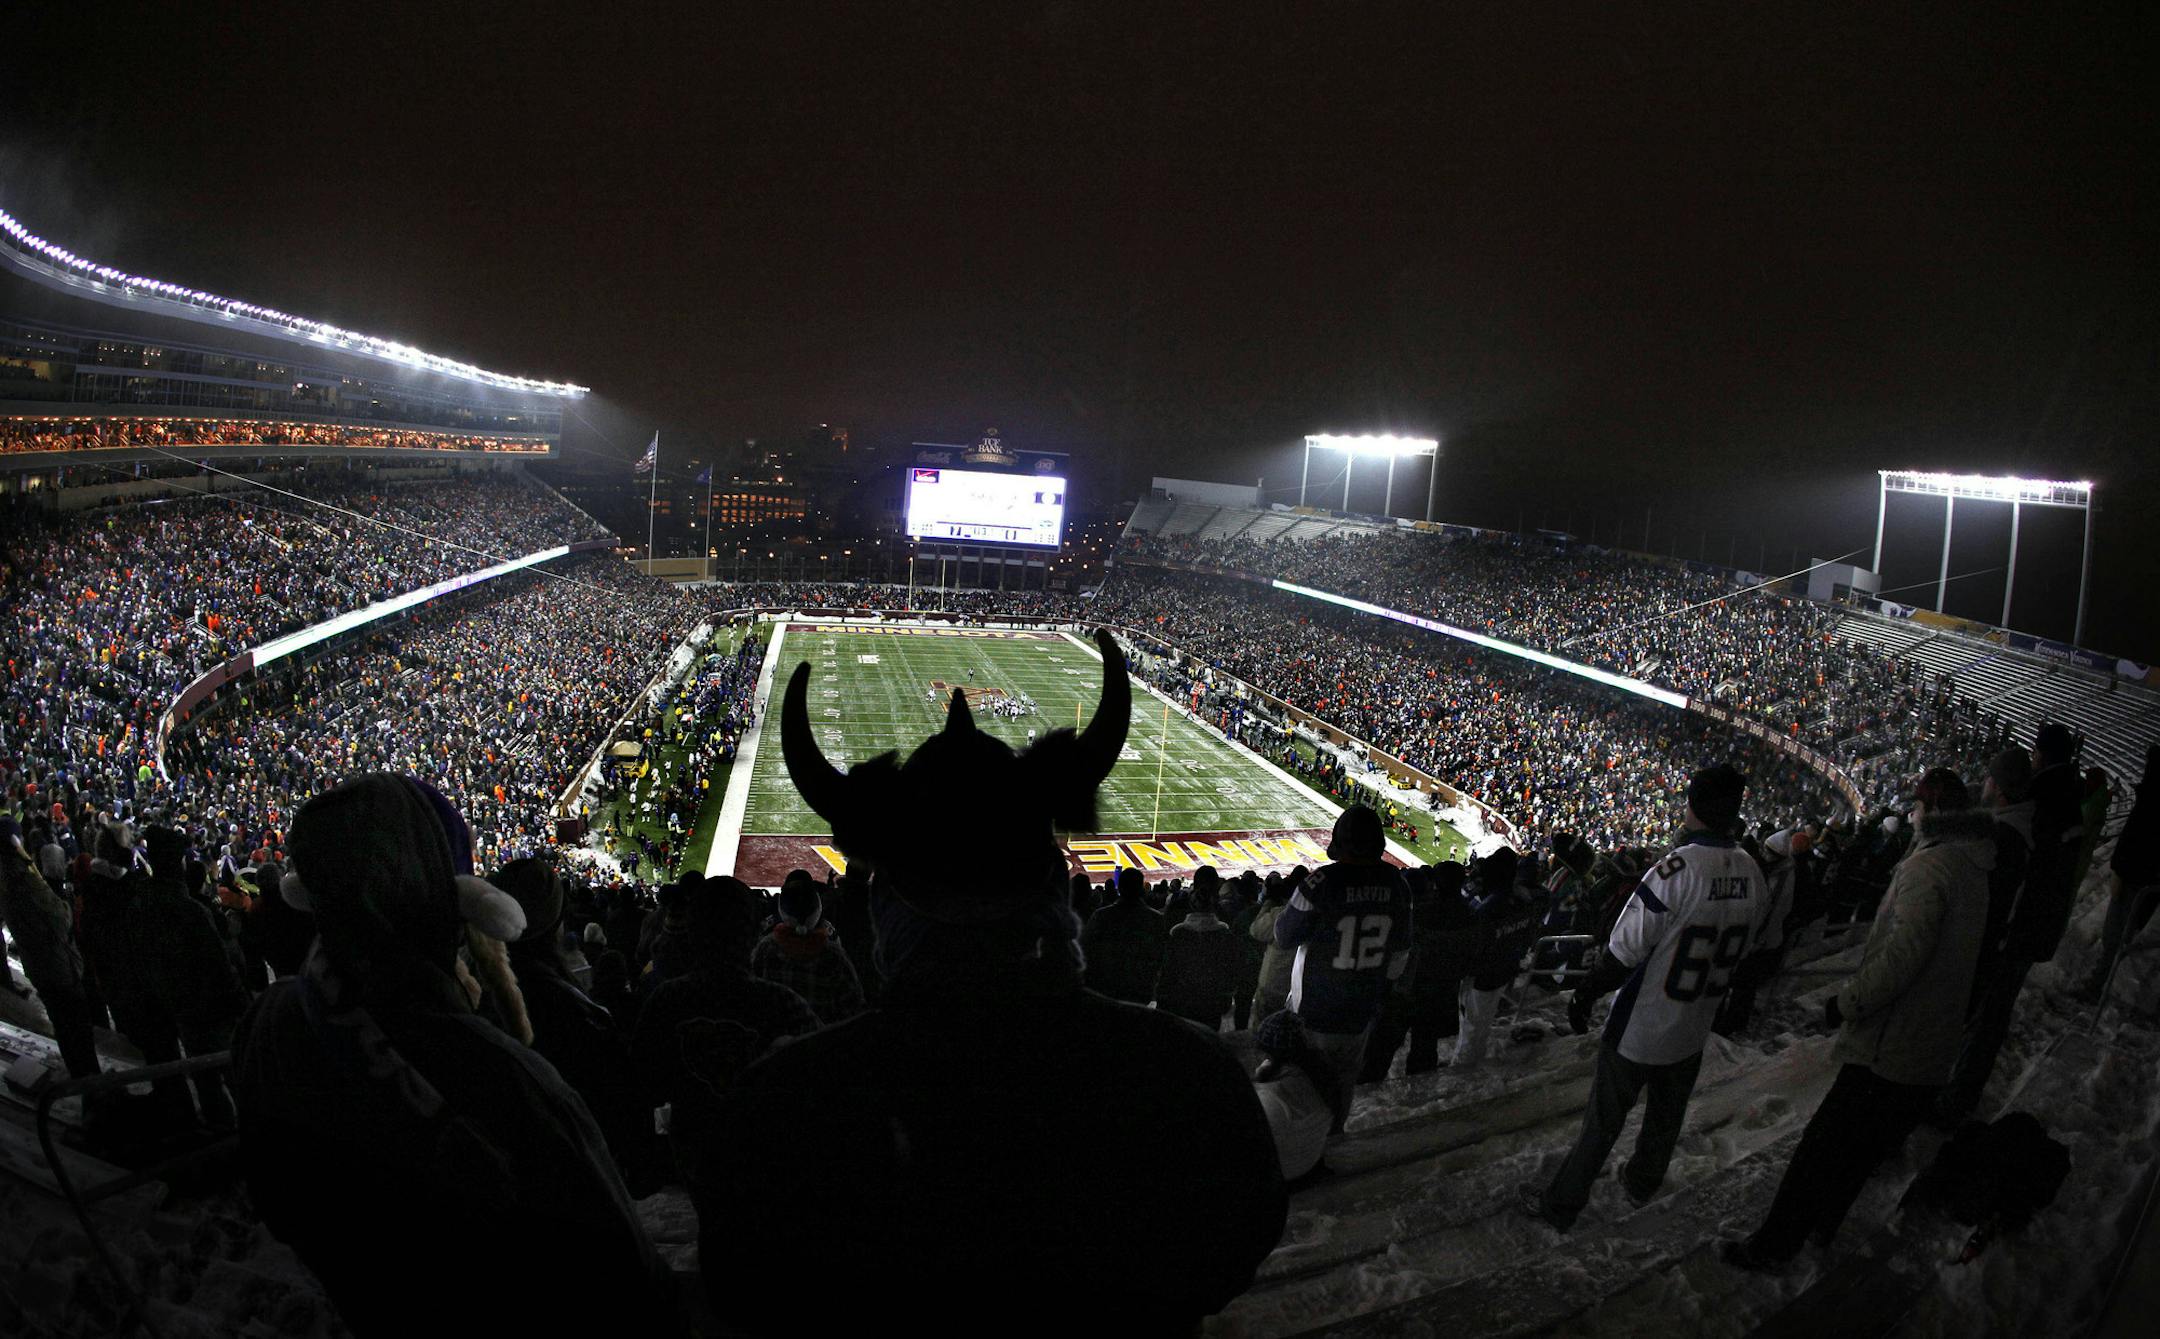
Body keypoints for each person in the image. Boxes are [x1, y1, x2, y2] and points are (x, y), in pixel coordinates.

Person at [694, 631, 1285, 1333]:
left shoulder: (785, 1102)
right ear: (1049, 886)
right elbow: (1234, 1246)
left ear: (887, 906)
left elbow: (740, 1290)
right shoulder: (1186, 1075)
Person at [230, 775, 674, 1334]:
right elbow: (627, 1281)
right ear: (454, 900)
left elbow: (277, 1201)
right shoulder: (506, 1080)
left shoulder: (268, 1023)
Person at [1725, 768, 1995, 1269]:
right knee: (1858, 1156)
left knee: (1819, 1151)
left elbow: (1902, 958)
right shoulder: (1975, 867)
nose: (1911, 812)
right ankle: (1821, 1232)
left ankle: (1774, 1245)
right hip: (1928, 1043)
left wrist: (1845, 1004)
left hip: (1892, 1045)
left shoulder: (1930, 868)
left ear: (1932, 811)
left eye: (1916, 804)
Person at [1522, 764, 1764, 1231]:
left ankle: (1562, 1203)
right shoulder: (1753, 871)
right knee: (1665, 1118)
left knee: (1603, 1122)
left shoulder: (1677, 868)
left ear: (1691, 803)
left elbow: (1623, 951)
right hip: (1695, 1025)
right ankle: (1642, 1183)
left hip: (1644, 1023)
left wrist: (1586, 993)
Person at [633, 873, 820, 1182]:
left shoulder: (666, 1000)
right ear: (751, 935)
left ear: (692, 933)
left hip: (694, 1154)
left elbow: (642, 1082)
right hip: (766, 1157)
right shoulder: (783, 1004)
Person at [1274, 804, 1413, 1134]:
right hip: (1361, 1009)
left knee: (1303, 1084)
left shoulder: (1321, 882)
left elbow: (1283, 936)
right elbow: (1399, 958)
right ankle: (1334, 1137)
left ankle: (1306, 1151)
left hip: (1314, 1009)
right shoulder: (1398, 884)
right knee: (1343, 1081)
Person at [1934, 749, 2036, 1123]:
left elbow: (1990, 904)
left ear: (2003, 788)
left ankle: (1948, 1103)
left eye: (1992, 779)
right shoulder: (2015, 827)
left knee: (1974, 1029)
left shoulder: (2006, 837)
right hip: (1996, 947)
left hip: (1988, 950)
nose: (1986, 784)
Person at [0, 817, 101, 1079]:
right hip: (58, 964)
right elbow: (60, 916)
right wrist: (65, 905)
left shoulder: (5, 878)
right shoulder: (25, 878)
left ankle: (84, 1078)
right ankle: (92, 1085)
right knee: (77, 1026)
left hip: (38, 965)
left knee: (64, 1026)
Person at [2084, 743, 2160, 998]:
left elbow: (2133, 840)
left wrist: (2118, 869)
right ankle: (2101, 985)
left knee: (2115, 936)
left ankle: (2099, 987)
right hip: (2138, 878)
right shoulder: (2150, 800)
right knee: (2119, 936)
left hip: (2133, 878)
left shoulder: (2150, 803)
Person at [749, 877, 866, 1024]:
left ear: (783, 911)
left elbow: (752, 993)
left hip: (776, 1037)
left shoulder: (766, 948)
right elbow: (853, 1007)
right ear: (817, 910)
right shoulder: (833, 955)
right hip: (821, 1040)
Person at [1251, 1010, 1338, 1185]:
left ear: (1268, 1056)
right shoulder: (1324, 1077)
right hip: (1312, 1162)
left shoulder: (1271, 1097)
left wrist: (1258, 1082)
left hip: (1288, 1176)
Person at [1154, 866, 1244, 1029]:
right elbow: (1232, 965)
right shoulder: (1223, 920)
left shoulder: (1176, 915)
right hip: (1210, 1000)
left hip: (1179, 998)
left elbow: (1165, 960)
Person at [1079, 866, 1167, 1005]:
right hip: (1140, 991)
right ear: (1141, 890)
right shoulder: (1156, 919)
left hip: (1105, 990)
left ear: (1119, 888)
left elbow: (1085, 951)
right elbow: (1160, 956)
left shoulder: (1101, 916)